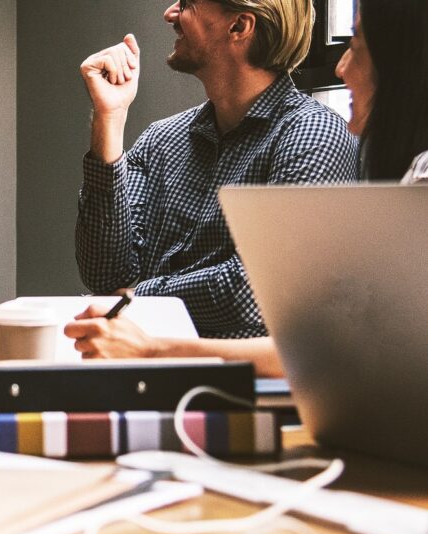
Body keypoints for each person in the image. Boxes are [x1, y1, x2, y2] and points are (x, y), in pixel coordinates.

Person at [66, 0, 428, 377]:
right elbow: (104, 274)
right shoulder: (162, 140)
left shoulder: (313, 135)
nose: (170, 13)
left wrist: (133, 299)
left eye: (188, 3)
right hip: (144, 374)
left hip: (247, 390)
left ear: (239, 27)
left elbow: (255, 292)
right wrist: (109, 120)